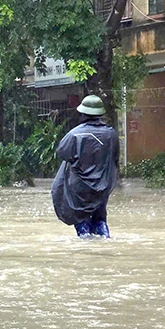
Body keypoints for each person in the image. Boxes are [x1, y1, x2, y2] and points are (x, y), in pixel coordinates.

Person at [51, 95, 120, 238]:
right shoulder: (111, 134)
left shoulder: (74, 134)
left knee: (81, 219)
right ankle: (105, 240)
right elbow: (114, 158)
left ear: (83, 113)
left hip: (79, 188)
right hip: (102, 186)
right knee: (100, 218)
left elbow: (62, 153)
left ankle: (86, 247)